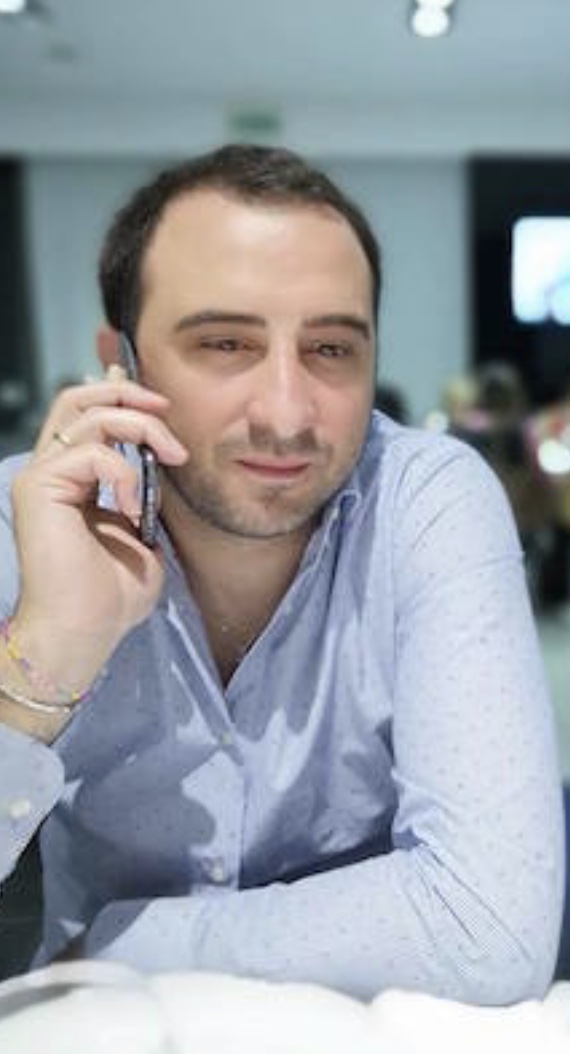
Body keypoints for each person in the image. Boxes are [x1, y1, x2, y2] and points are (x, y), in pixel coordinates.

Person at [0, 145, 564, 1003]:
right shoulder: (31, 515)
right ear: (122, 363)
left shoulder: (424, 501)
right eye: (225, 343)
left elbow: (489, 926)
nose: (288, 414)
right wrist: (46, 651)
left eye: (331, 349)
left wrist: (127, 942)